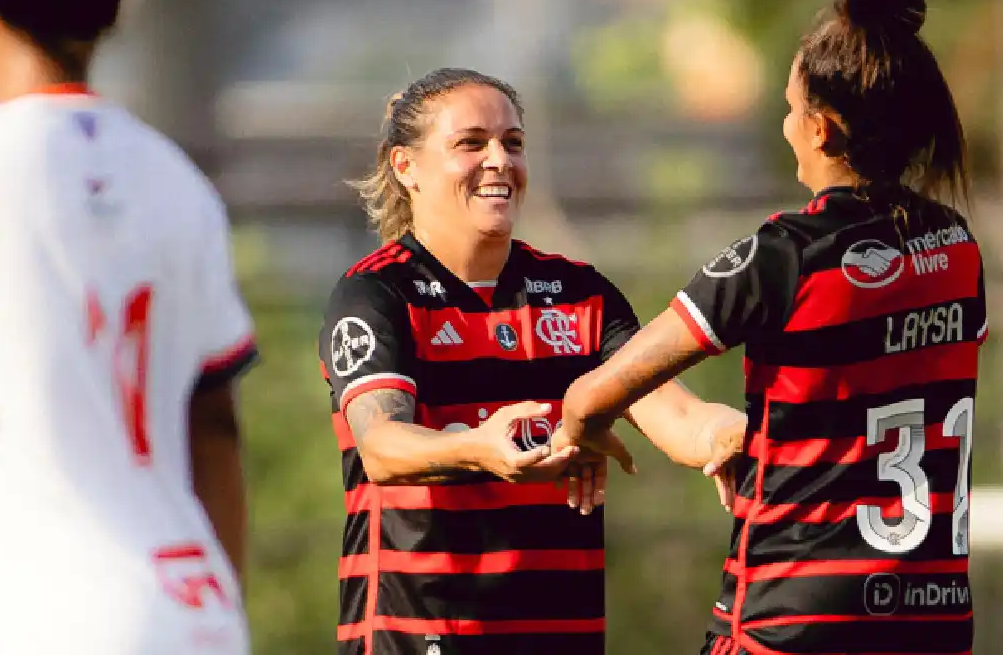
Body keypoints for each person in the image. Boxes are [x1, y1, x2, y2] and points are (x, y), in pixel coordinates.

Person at [556, 0, 988, 655]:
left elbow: (598, 393)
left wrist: (584, 425)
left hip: (794, 617)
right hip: (931, 622)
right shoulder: (958, 249)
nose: (785, 126)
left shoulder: (787, 255)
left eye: (790, 110)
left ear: (820, 131)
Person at [319, 67, 746, 655]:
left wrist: (731, 434)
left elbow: (678, 416)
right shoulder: (377, 294)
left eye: (512, 143)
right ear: (406, 167)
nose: (499, 160)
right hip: (419, 638)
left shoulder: (579, 294)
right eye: (471, 143)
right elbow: (383, 448)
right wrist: (480, 449)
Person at [0, 0, 256, 652]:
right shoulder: (178, 181)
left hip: (25, 614)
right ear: (117, 3)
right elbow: (215, 426)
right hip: (192, 612)